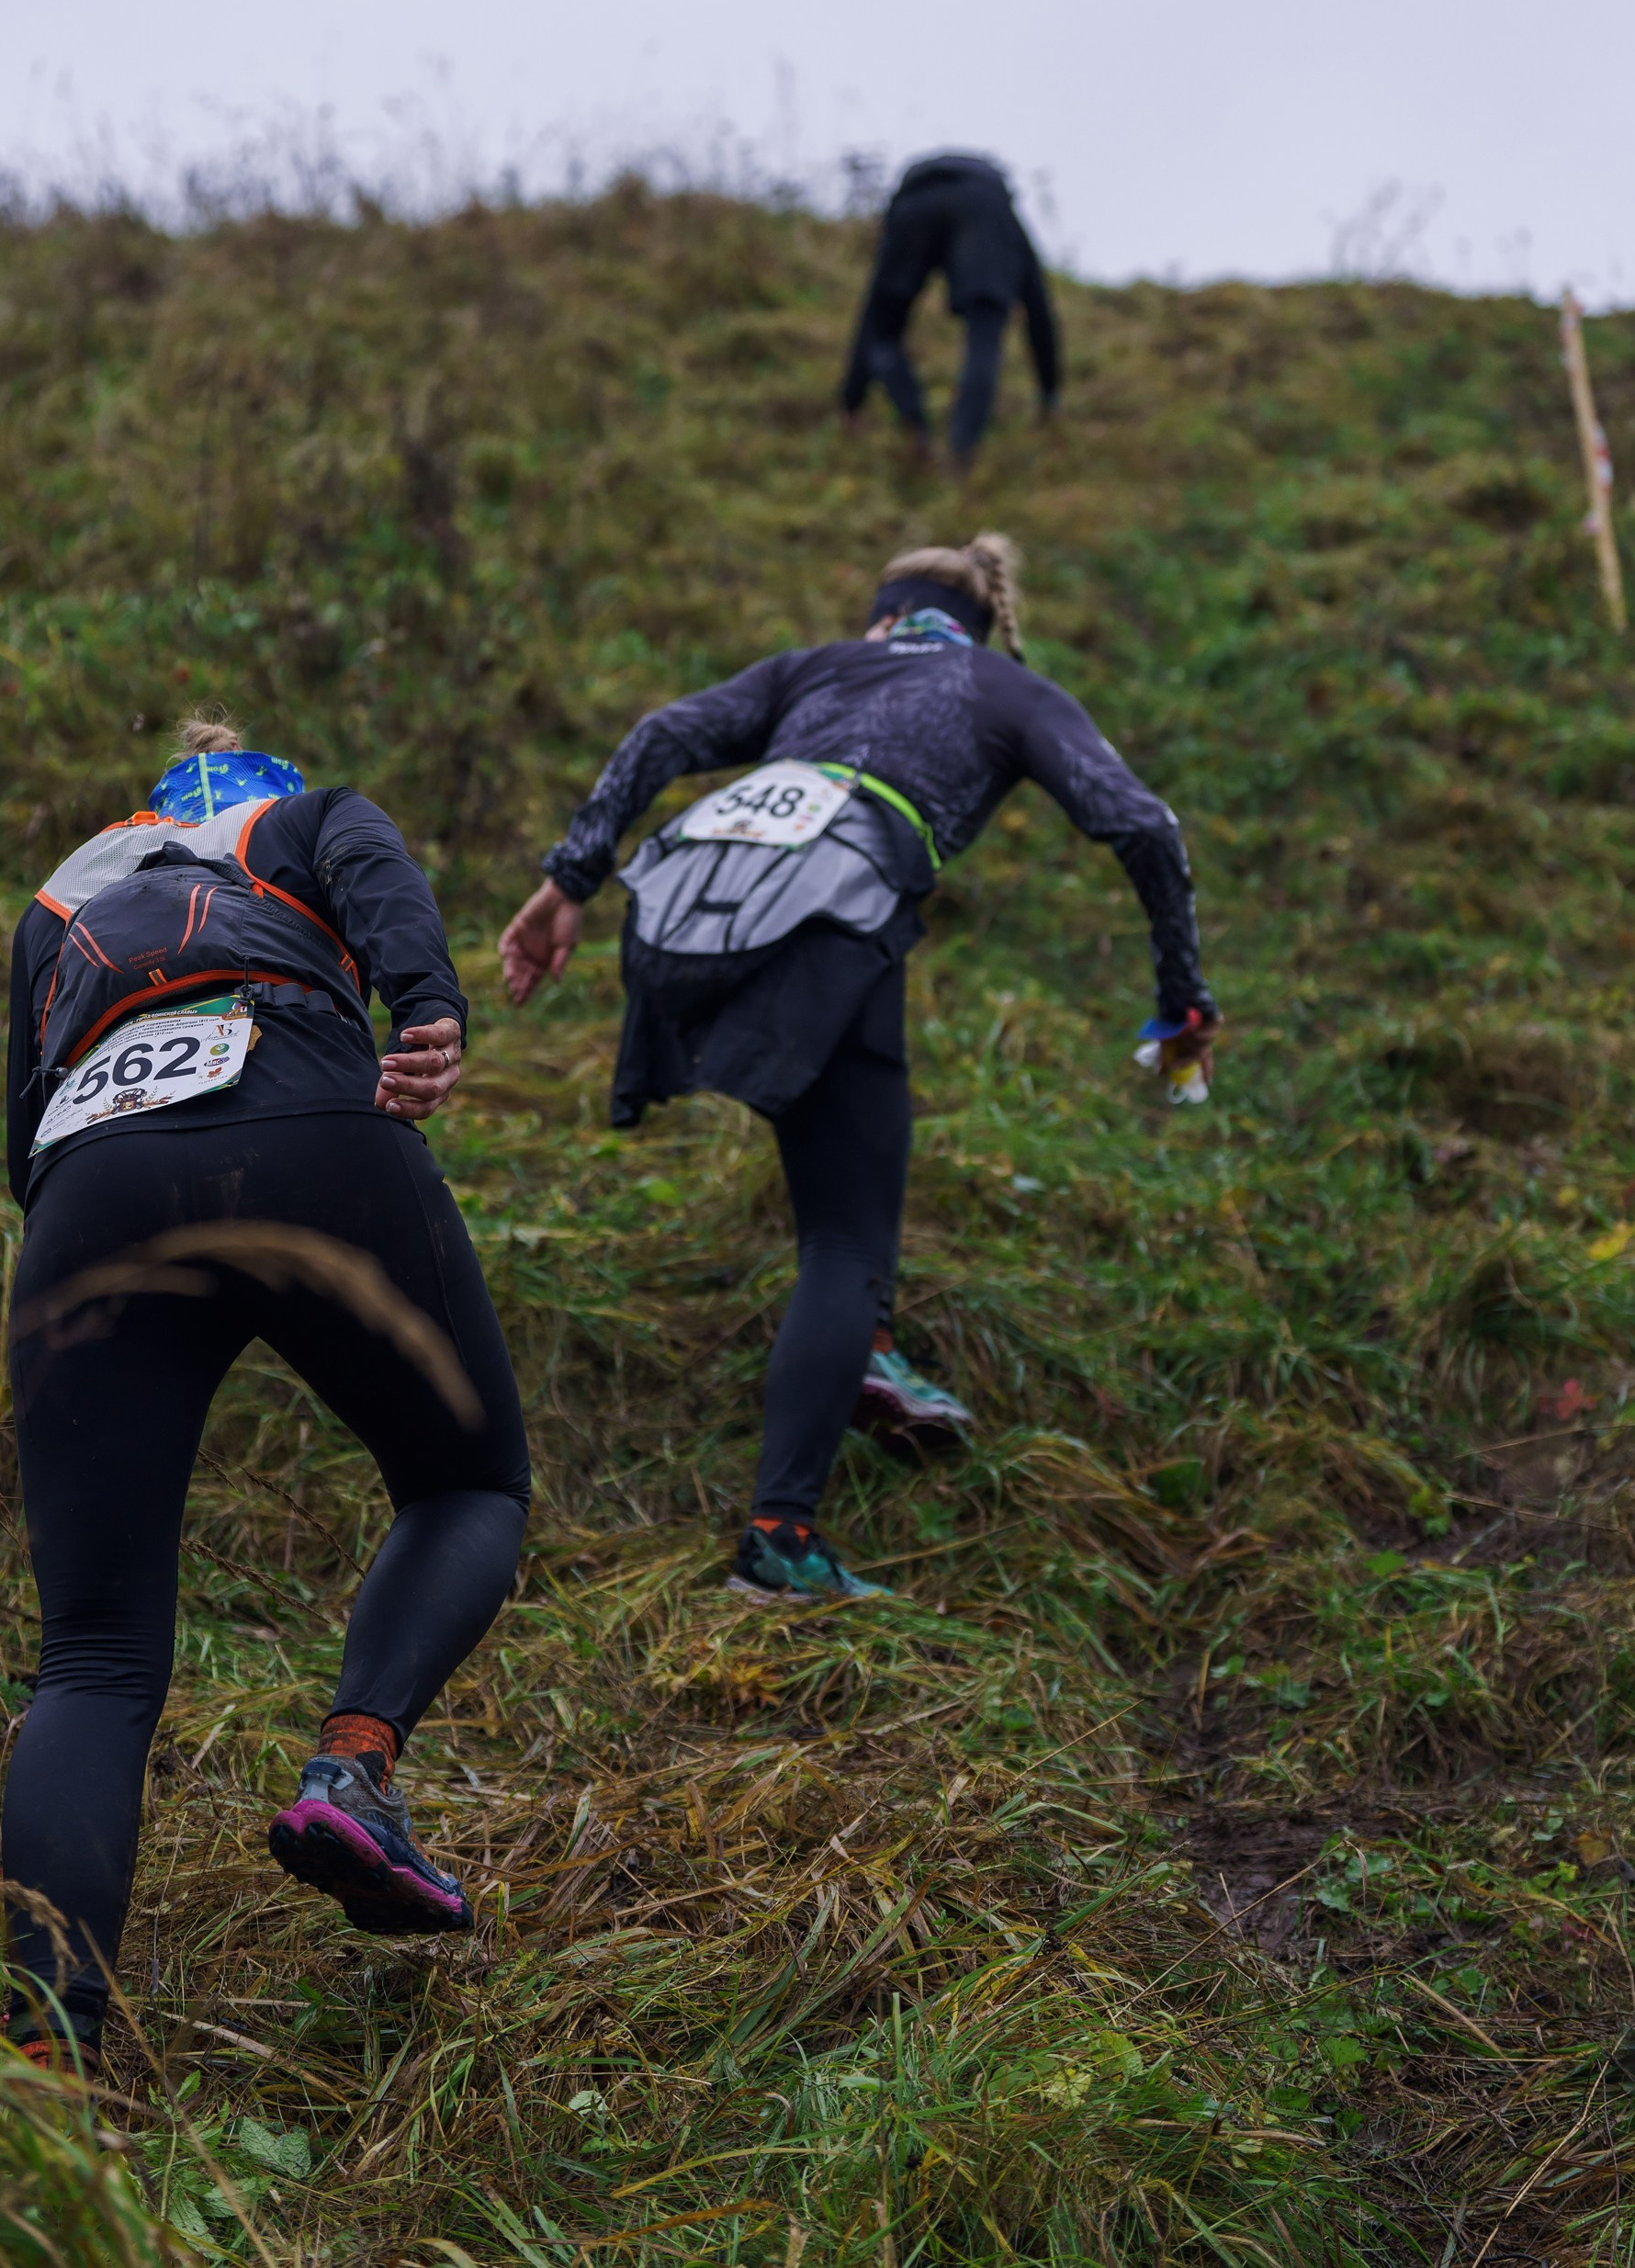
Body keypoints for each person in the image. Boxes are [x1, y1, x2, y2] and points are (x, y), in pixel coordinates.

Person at [498, 538, 1215, 1602]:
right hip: (825, 919)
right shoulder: (1003, 686)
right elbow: (1139, 823)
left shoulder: (812, 668)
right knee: (845, 1235)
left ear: (882, 617)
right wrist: (1181, 997)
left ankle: (864, 1350)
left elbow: (661, 735)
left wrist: (570, 878)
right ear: (973, 625)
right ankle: (780, 1541)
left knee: (847, 1154)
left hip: (681, 909)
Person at [0, 716, 529, 2068]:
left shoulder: (62, 898)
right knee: (468, 1480)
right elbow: (382, 882)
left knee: (96, 1655)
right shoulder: (299, 821)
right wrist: (427, 1010)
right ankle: (351, 1769)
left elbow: (23, 1134)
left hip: (89, 1199)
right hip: (309, 1117)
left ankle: (41, 2062)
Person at [840, 152, 1062, 468]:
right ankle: (961, 452)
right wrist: (1049, 393)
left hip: (914, 201)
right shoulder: (999, 210)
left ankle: (914, 427)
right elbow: (1038, 307)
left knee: (884, 328)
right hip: (979, 207)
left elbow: (873, 313)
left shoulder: (923, 195)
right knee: (985, 328)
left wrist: (851, 399)